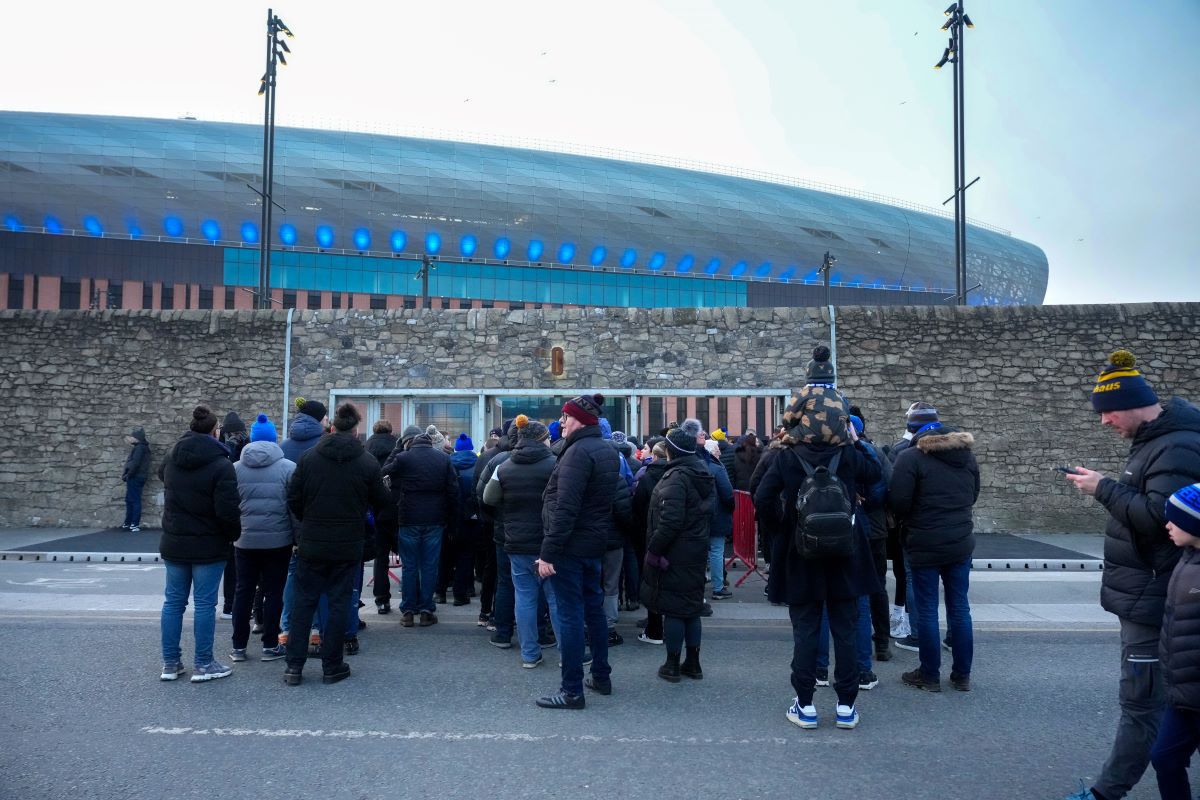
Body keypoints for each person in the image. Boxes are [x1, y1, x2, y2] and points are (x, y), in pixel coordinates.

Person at [1062, 350, 1200, 800]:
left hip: (1154, 595)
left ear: (1134, 403)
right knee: (1161, 705)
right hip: (1150, 593)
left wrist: (1103, 487)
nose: (1104, 422)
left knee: (1141, 705)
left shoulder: (1176, 445)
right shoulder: (1155, 442)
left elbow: (1164, 518)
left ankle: (1106, 793)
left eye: (1108, 412)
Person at [753, 346, 881, 730]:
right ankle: (846, 706)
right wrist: (856, 441)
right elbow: (878, 479)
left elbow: (761, 496)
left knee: (806, 628)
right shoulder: (850, 454)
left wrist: (785, 527)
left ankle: (805, 704)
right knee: (845, 626)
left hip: (801, 552)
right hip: (846, 552)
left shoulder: (787, 455)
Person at [284, 403, 389, 686]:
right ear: (356, 430)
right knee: (339, 603)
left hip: (313, 540)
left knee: (304, 603)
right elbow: (382, 502)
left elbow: (293, 499)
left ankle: (294, 665)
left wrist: (310, 519)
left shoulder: (309, 458)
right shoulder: (366, 462)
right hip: (347, 543)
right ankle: (332, 664)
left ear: (332, 428)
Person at [535, 393, 619, 709]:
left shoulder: (578, 453)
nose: (561, 422)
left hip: (569, 547)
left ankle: (572, 690)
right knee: (593, 611)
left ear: (579, 420)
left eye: (565, 417)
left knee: (570, 616)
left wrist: (548, 553)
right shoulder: (606, 450)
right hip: (593, 544)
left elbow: (565, 509)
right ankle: (600, 675)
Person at [889, 416, 980, 692]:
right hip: (960, 541)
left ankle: (929, 674)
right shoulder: (968, 459)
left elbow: (899, 502)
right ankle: (961, 675)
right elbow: (973, 495)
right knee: (960, 607)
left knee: (927, 609)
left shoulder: (910, 458)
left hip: (924, 540)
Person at [157, 405, 241, 683]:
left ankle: (170, 663)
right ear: (215, 432)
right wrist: (232, 535)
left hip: (174, 539)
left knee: (173, 603)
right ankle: (203, 663)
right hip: (208, 543)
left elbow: (162, 476)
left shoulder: (172, 458)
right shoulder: (221, 464)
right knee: (205, 605)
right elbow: (227, 509)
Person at [642, 423, 715, 683]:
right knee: (691, 608)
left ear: (672, 452)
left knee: (673, 609)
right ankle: (693, 663)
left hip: (674, 552)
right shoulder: (702, 472)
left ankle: (672, 664)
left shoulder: (676, 478)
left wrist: (654, 549)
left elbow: (670, 521)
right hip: (695, 548)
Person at [484, 416, 558, 667]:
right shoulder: (556, 465)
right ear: (542, 439)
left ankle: (529, 654)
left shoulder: (504, 466)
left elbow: (489, 497)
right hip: (549, 541)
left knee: (524, 597)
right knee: (555, 597)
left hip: (516, 541)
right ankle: (568, 654)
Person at [229, 414, 294, 664]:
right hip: (278, 541)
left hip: (244, 540)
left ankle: (238, 647)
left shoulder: (235, 468)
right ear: (274, 439)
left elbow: (231, 504)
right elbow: (293, 508)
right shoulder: (288, 467)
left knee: (243, 591)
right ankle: (270, 644)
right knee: (274, 592)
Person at [381, 424, 459, 628]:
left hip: (408, 517)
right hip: (435, 518)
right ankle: (426, 610)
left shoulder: (404, 458)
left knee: (409, 566)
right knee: (429, 566)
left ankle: (407, 611)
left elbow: (384, 472)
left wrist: (397, 449)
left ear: (408, 441)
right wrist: (452, 520)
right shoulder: (442, 458)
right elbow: (453, 490)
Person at [1150, 483, 1200, 799]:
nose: (1167, 525)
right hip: (1183, 690)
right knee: (1164, 757)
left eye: (1175, 519)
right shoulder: (1188, 557)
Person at [633, 441, 671, 645]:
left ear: (654, 457)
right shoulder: (676, 476)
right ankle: (671, 626)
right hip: (673, 537)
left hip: (648, 536)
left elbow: (637, 507)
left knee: (651, 581)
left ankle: (654, 627)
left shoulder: (647, 478)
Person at [365, 420, 400, 614]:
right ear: (391, 431)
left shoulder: (365, 450)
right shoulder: (397, 448)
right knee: (407, 554)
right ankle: (411, 598)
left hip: (374, 510)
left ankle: (381, 599)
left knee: (380, 556)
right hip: (395, 507)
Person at [447, 433, 480, 606]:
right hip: (471, 516)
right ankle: (464, 591)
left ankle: (441, 591)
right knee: (467, 555)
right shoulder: (478, 464)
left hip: (450, 516)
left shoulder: (448, 463)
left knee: (447, 554)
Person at [701, 437, 735, 601]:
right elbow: (728, 493)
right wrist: (730, 509)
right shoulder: (717, 468)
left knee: (701, 551)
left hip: (700, 516)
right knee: (716, 551)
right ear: (712, 452)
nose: (720, 452)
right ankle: (718, 587)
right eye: (717, 450)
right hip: (718, 514)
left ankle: (699, 583)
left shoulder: (698, 466)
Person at [121, 427, 151, 532]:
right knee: (130, 499)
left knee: (134, 499)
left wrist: (128, 474)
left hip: (135, 476)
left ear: (137, 438)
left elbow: (135, 463)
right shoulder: (141, 448)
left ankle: (134, 524)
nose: (130, 438)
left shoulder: (140, 448)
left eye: (132, 436)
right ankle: (129, 523)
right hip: (136, 476)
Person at [281, 398, 327, 463]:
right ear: (317, 418)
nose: (326, 417)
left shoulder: (283, 445)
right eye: (324, 415)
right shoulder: (325, 445)